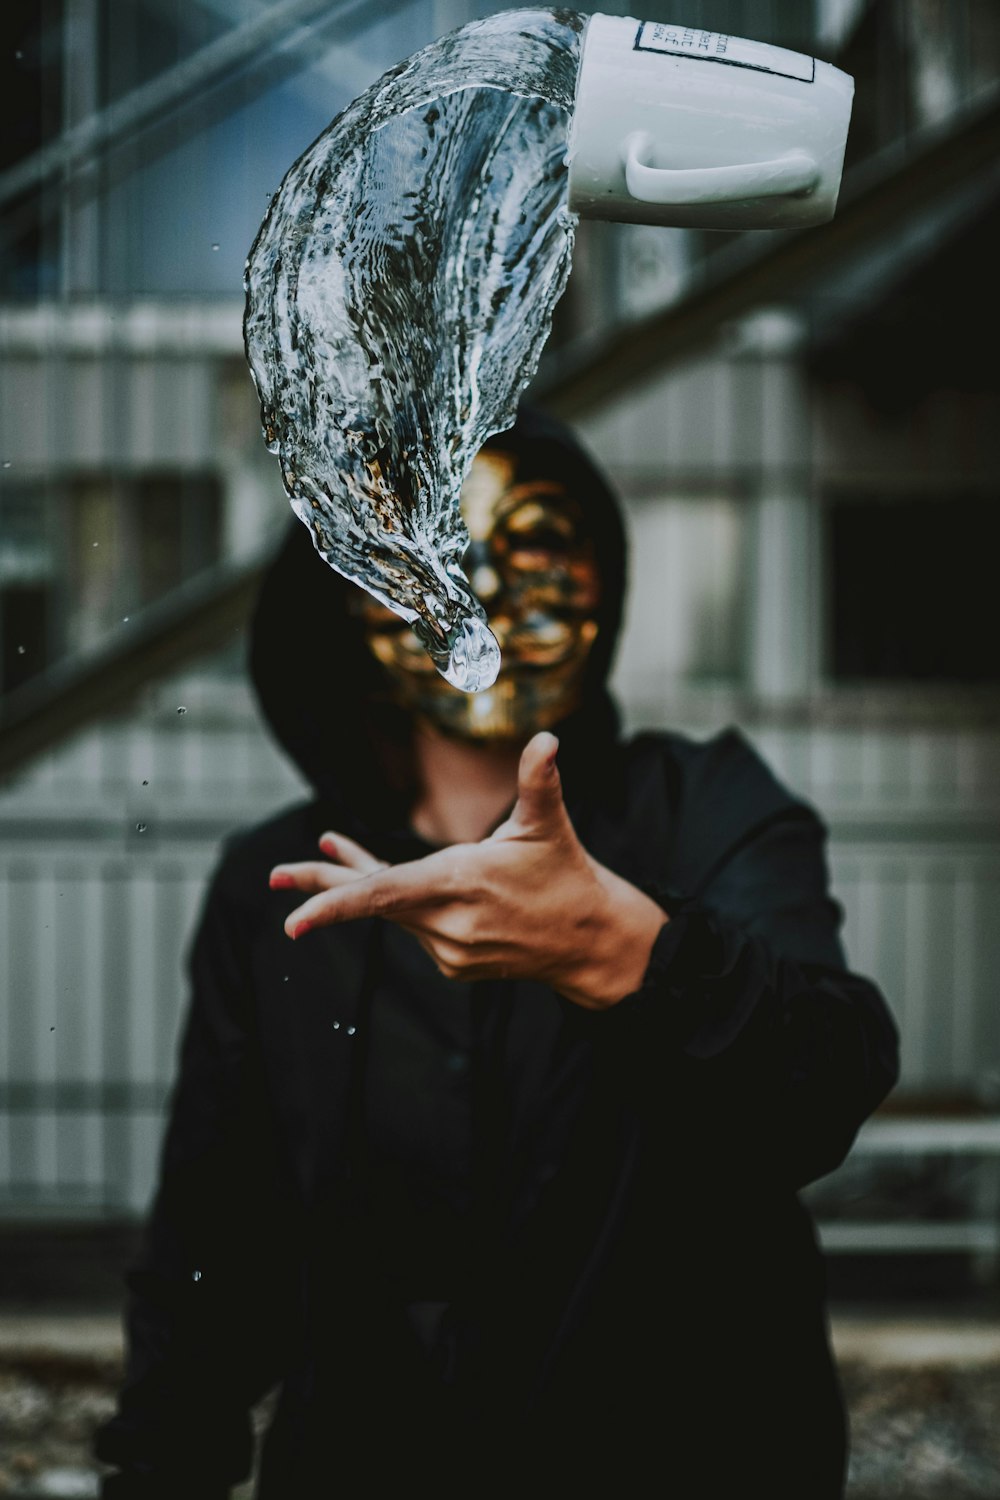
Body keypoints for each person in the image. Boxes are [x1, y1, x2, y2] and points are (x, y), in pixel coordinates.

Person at [96, 406, 898, 1499]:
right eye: (432, 541)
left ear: (600, 577)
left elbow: (824, 1084)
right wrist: (160, 1467)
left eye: (538, 542)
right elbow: (215, 1234)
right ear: (350, 585)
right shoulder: (273, 885)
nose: (490, 585)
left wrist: (629, 951)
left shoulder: (707, 809)